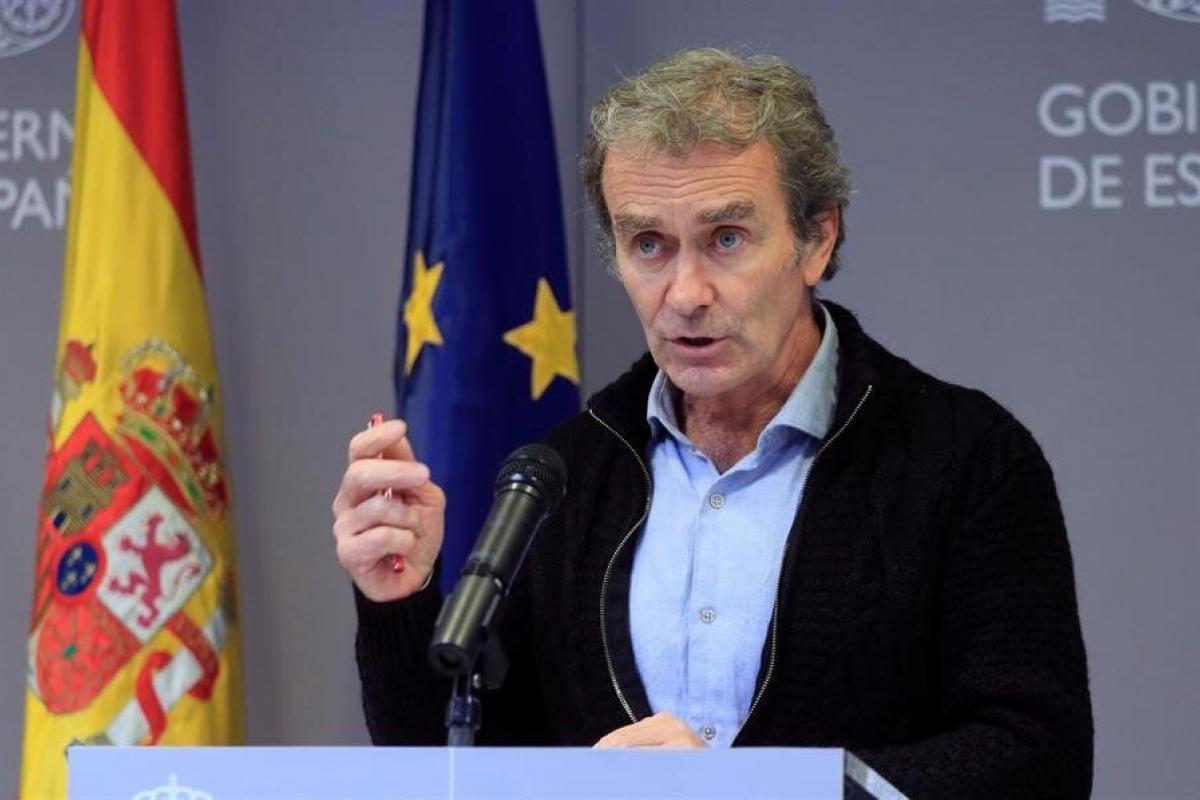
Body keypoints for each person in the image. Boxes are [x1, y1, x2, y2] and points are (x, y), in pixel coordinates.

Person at [331, 48, 1093, 798]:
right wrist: (401, 602)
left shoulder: (967, 459)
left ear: (817, 238)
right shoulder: (568, 474)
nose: (686, 293)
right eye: (649, 245)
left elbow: (1037, 760)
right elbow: (459, 766)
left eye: (726, 238)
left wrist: (755, 790)